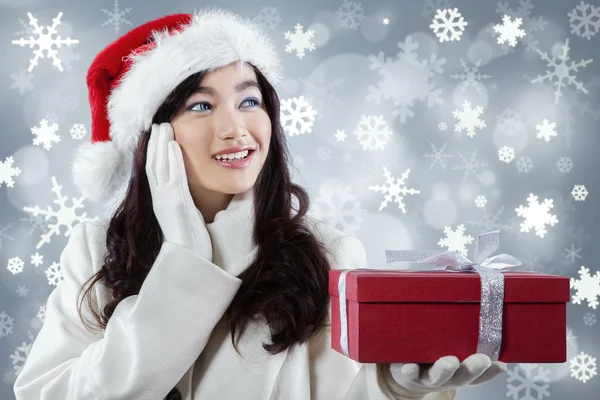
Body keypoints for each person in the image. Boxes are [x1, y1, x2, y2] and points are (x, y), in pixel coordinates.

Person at [13, 8, 506, 400]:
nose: (236, 128)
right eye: (201, 106)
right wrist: (186, 261)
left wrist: (397, 389)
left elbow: (346, 391)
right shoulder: (98, 249)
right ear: (152, 137)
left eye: (249, 101)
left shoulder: (326, 252)